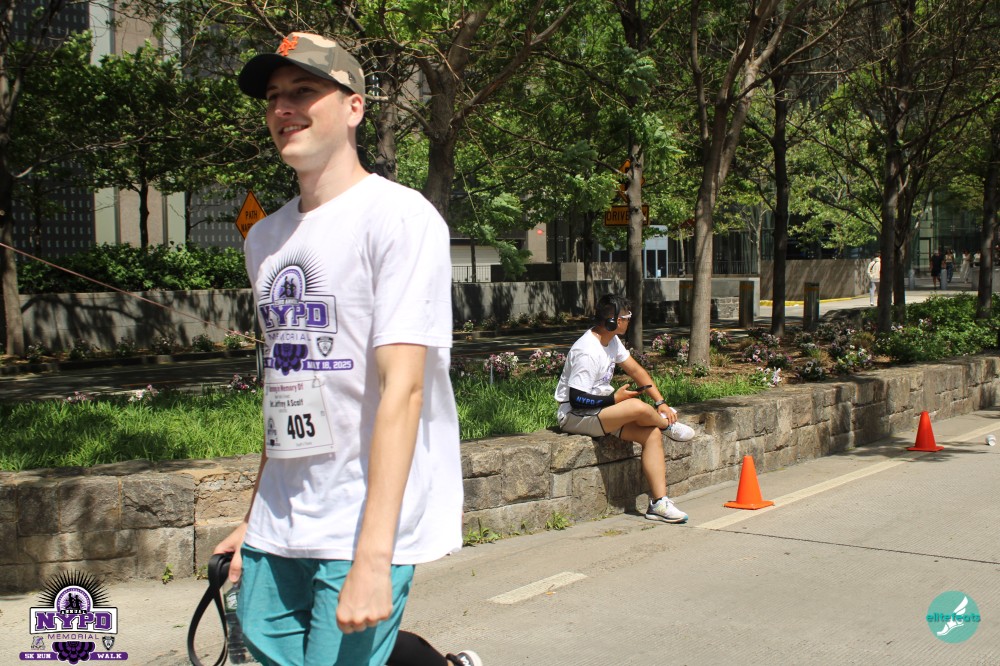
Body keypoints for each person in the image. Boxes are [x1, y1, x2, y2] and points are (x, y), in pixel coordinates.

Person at [212, 32, 480, 666]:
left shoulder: (399, 219)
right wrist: (255, 516)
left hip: (360, 523)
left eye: (304, 91)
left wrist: (374, 555)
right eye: (273, 96)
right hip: (279, 524)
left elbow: (403, 389)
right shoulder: (265, 238)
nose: (284, 108)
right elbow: (286, 390)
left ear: (354, 106)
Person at [553, 293, 696, 524]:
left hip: (599, 412)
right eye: (627, 317)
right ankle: (667, 425)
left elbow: (636, 371)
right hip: (574, 415)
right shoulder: (587, 351)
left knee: (651, 435)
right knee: (636, 406)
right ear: (615, 321)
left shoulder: (611, 341)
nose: (630, 320)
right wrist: (614, 399)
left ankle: (659, 503)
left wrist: (660, 402)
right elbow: (576, 399)